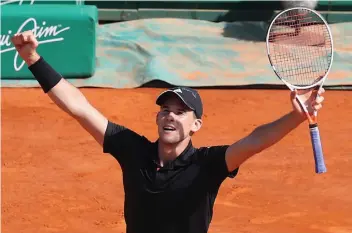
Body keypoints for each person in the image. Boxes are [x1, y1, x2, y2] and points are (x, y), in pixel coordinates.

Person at [11, 31, 325, 233]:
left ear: (196, 125)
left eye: (180, 111)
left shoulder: (208, 164)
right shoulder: (132, 150)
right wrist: (33, 60)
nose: (169, 116)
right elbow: (79, 106)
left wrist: (296, 117)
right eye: (165, 109)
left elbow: (255, 141)